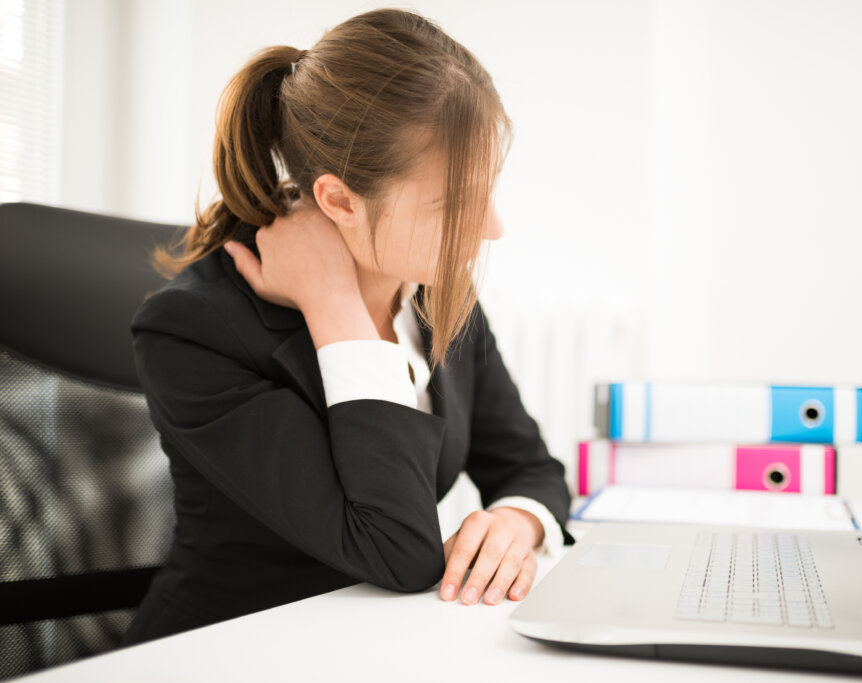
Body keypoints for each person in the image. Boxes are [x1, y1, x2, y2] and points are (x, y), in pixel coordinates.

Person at [123, 8, 573, 645]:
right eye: (453, 202)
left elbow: (531, 467)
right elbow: (397, 550)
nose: (493, 227)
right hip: (228, 652)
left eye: (489, 188)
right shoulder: (194, 331)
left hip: (370, 642)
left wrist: (517, 520)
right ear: (339, 201)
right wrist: (335, 307)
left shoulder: (437, 290)